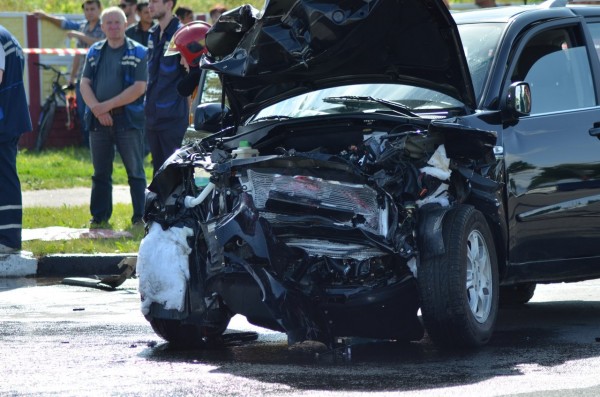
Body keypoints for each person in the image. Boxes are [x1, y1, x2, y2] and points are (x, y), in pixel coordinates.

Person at [79, 7, 148, 226]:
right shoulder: (94, 51)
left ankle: (141, 217)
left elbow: (139, 88)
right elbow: (84, 84)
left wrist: (104, 107)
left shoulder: (139, 52)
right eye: (108, 23)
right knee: (100, 172)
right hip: (98, 122)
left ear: (126, 23)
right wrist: (97, 110)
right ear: (102, 27)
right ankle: (99, 217)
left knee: (135, 172)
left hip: (127, 120)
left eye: (117, 22)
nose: (113, 26)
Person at [33, 1, 105, 148]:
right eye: (87, 9)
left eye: (93, 9)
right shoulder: (83, 26)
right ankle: (88, 144)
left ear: (100, 9)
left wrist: (80, 36)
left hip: (100, 77)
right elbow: (65, 25)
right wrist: (72, 77)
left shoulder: (106, 26)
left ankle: (101, 144)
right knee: (81, 111)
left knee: (98, 110)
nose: (90, 12)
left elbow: (99, 43)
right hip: (82, 77)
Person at [145, 0, 188, 175]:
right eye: (149, 1)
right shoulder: (153, 33)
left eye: (154, 1)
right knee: (158, 174)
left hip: (173, 118)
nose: (150, 5)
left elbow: (194, 74)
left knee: (175, 174)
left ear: (169, 4)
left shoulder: (182, 34)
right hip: (152, 116)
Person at [0, 25, 32, 254]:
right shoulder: (6, 35)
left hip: (4, 120)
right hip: (8, 116)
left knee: (5, 178)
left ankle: (9, 239)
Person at [165, 21, 210, 121]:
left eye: (182, 56)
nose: (181, 62)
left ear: (193, 55)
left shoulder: (207, 87)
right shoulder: (201, 85)